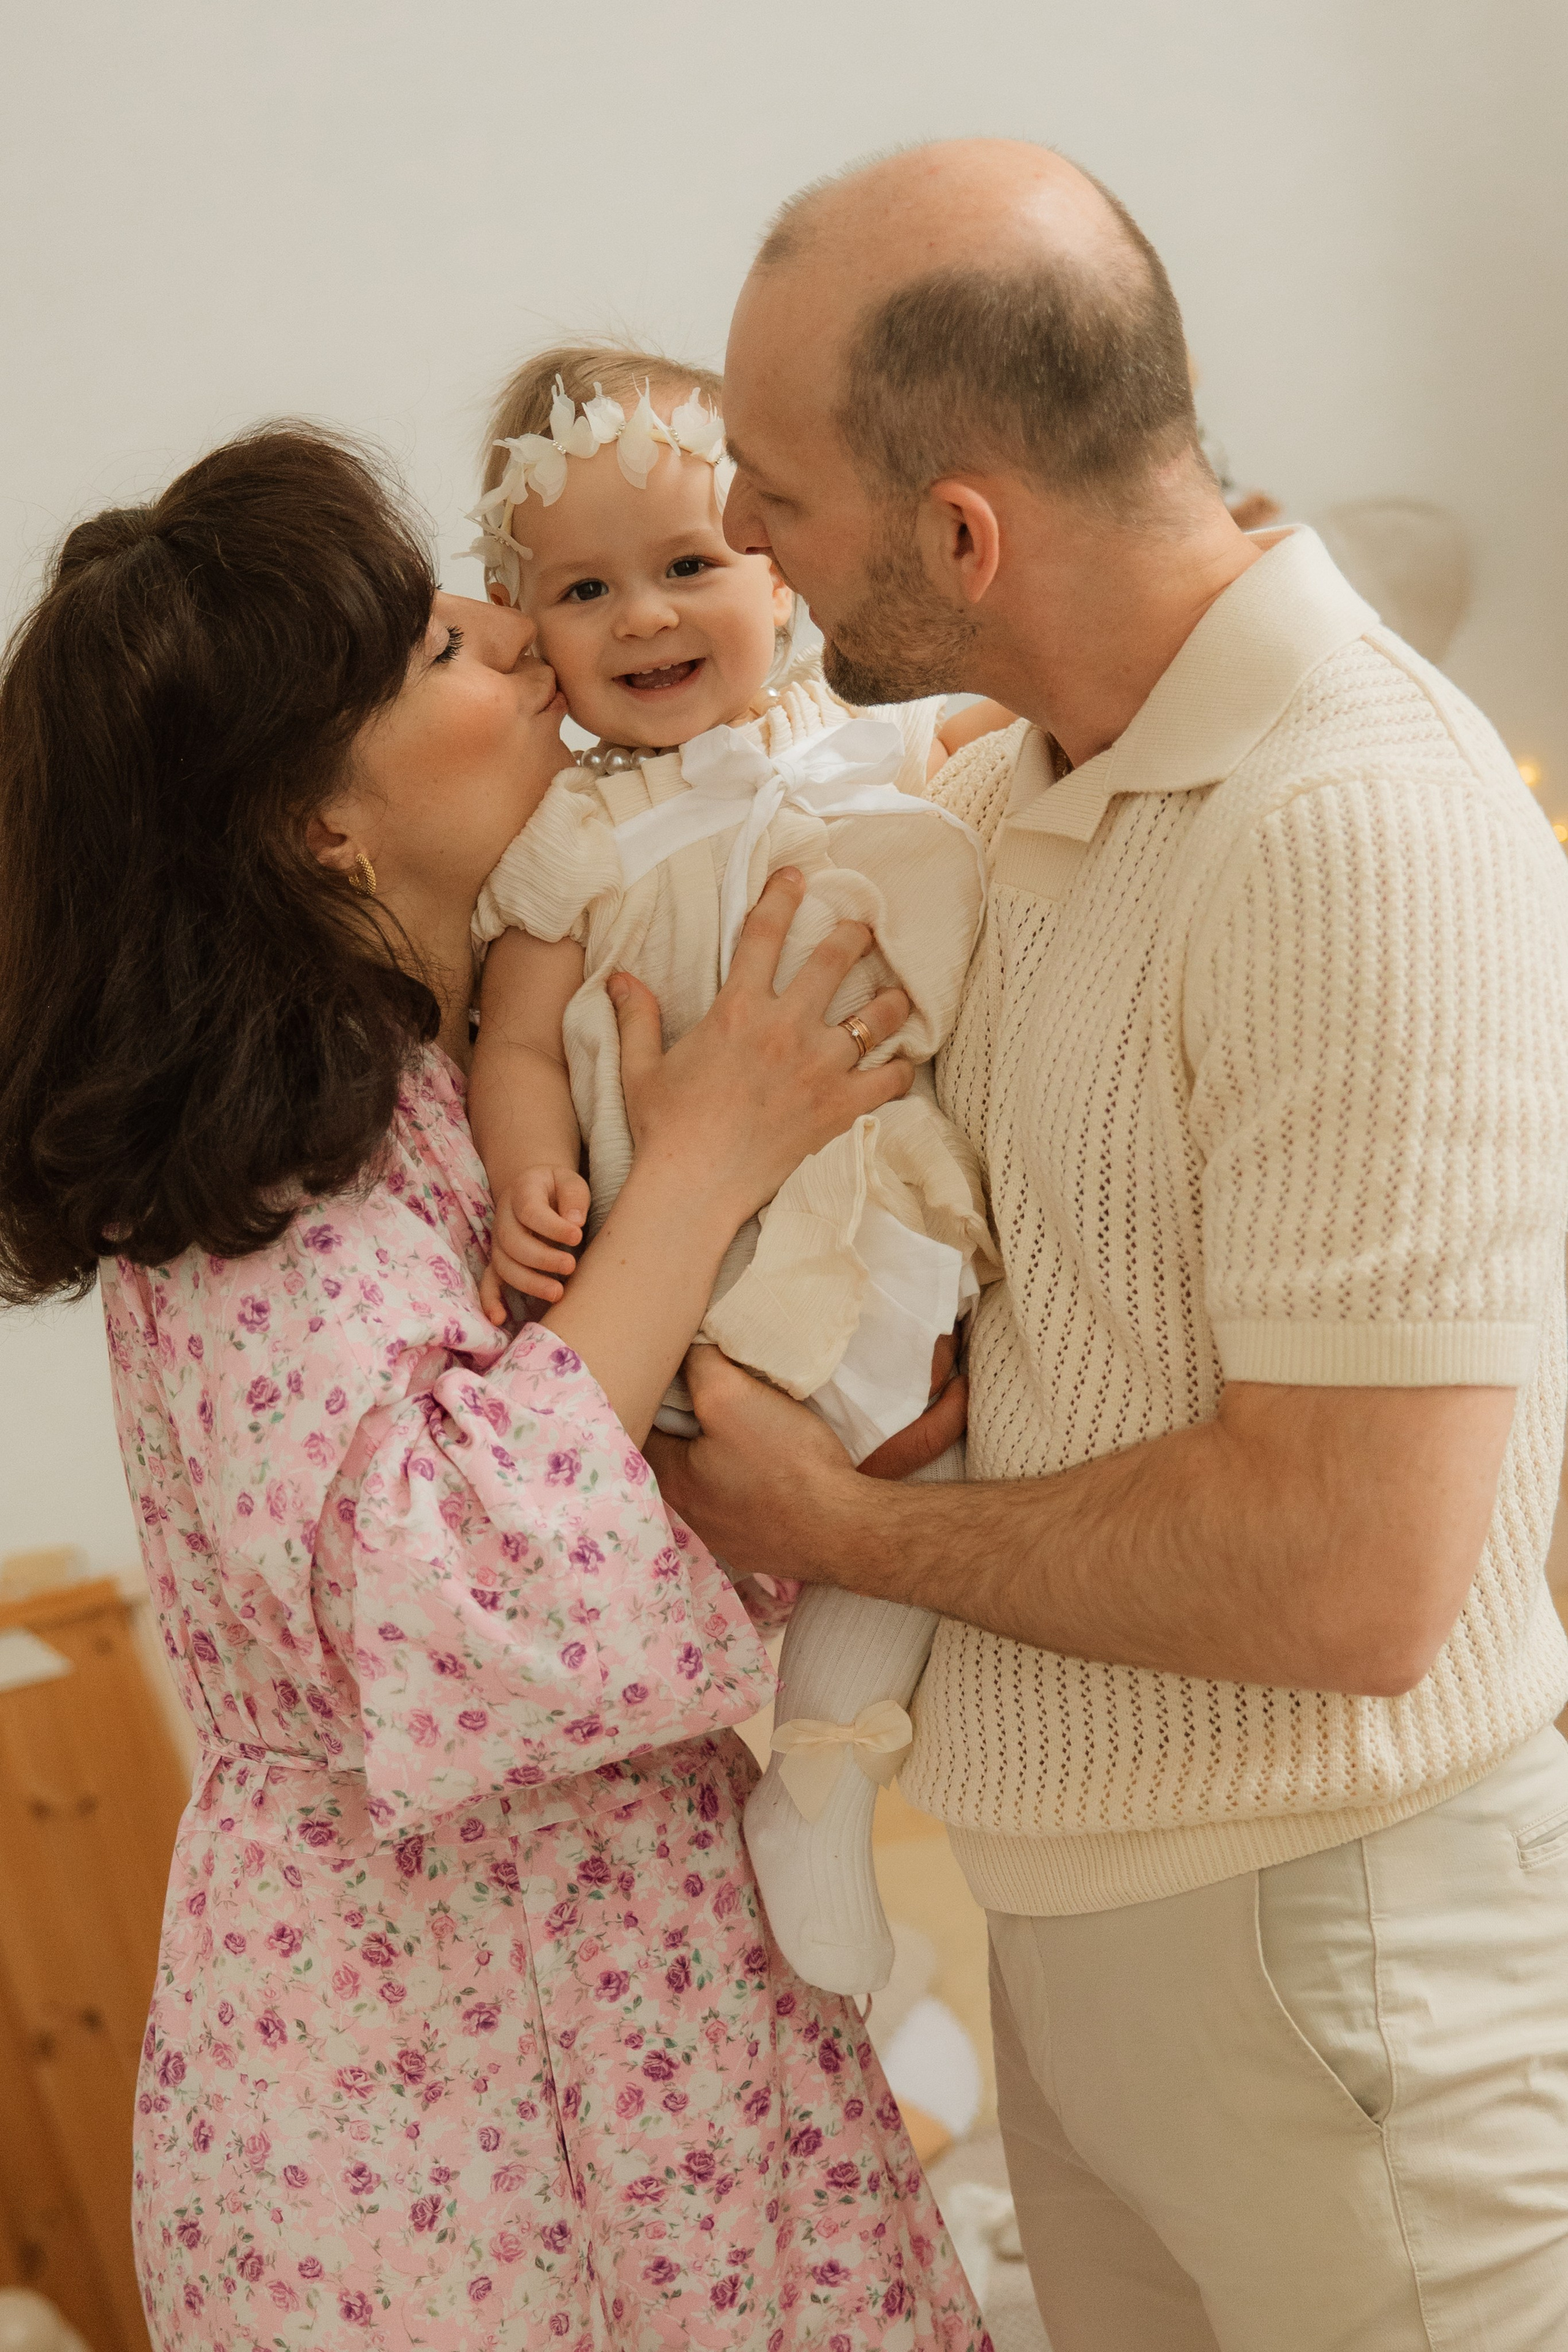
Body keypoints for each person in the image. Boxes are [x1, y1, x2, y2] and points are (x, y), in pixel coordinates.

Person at [647, 138, 1568, 2350]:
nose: (743, 542)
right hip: (1084, 1939)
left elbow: (1354, 1577)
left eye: (774, 492)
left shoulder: (1349, 829)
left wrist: (832, 1527)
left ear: (960, 535)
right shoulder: (1009, 795)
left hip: (1341, 1955)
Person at [0, 425, 989, 2351]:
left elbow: (632, 1482)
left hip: (649, 1978)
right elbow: (459, 1594)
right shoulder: (266, 1188)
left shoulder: (460, 1085)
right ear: (318, 825)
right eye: (433, 647)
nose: (510, 631)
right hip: (428, 2045)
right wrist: (701, 1167)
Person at [464, 340, 1005, 1995]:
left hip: (859, 1196)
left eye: (689, 565)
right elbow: (510, 1026)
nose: (642, 617)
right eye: (583, 589)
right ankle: (782, 1823)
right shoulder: (570, 830)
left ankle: (826, 1786)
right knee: (788, 1497)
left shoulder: (859, 747)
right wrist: (532, 1168)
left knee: (928, 1477)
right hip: (688, 1247)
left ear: (782, 568)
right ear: (530, 634)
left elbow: (1009, 752)